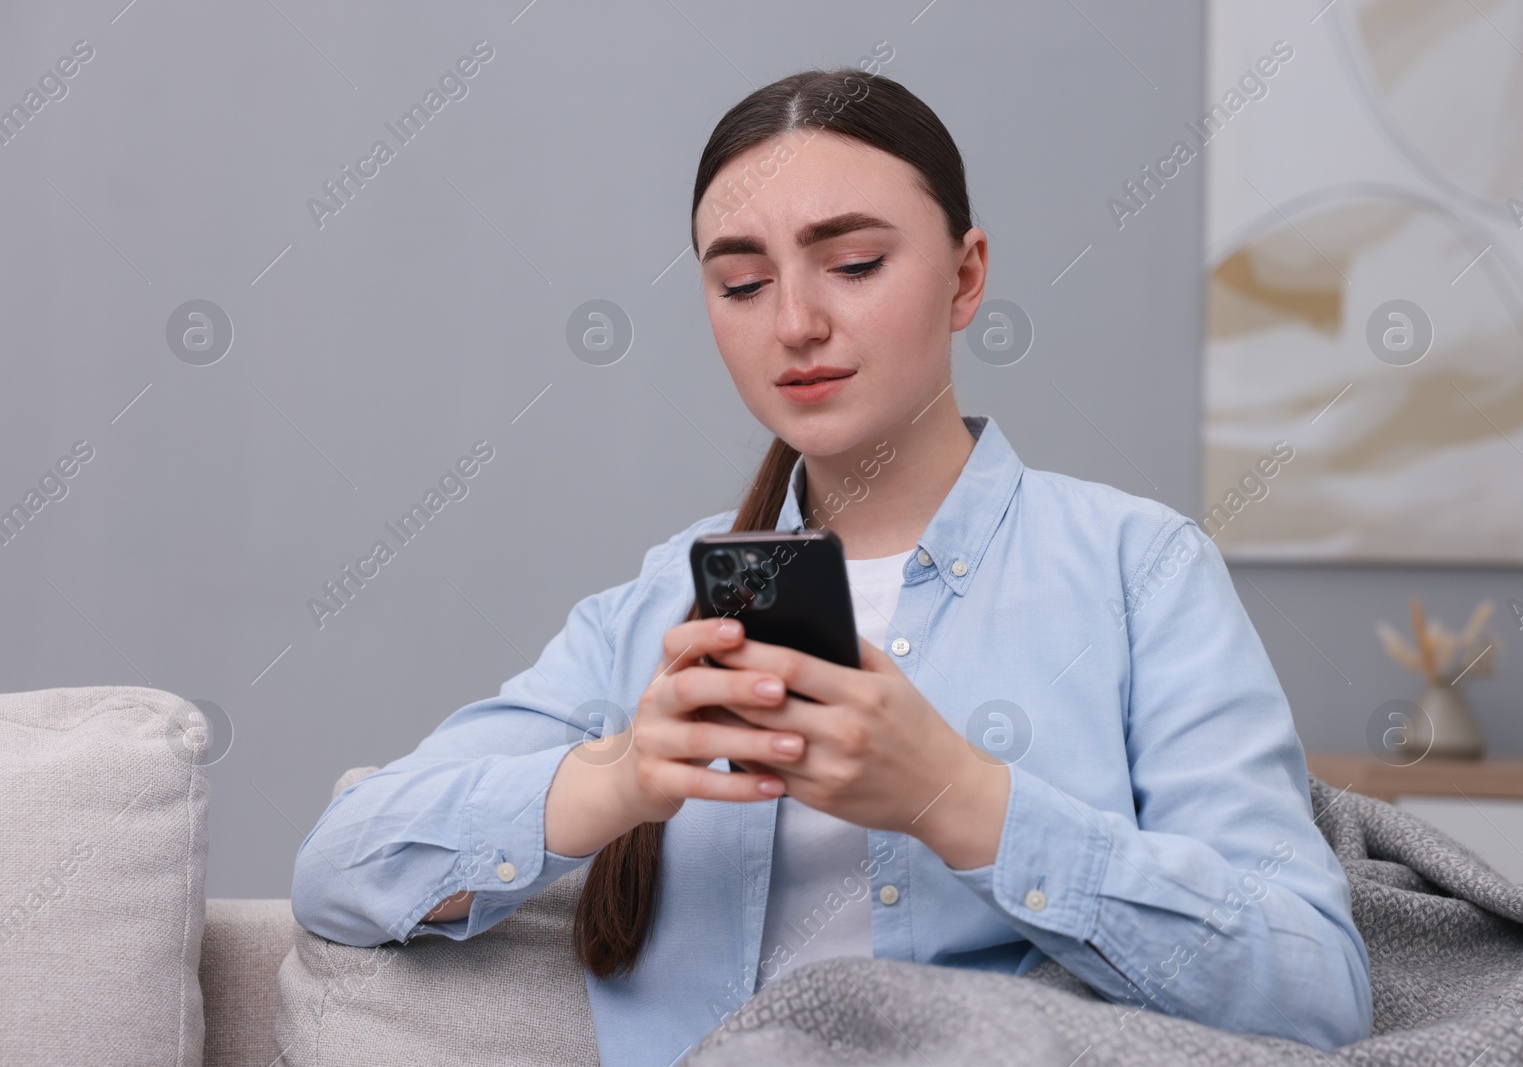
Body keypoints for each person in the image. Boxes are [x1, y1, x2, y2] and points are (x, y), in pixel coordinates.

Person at [290, 67, 1373, 1066]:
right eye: (742, 283)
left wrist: (959, 796)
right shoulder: (658, 607)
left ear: (965, 275)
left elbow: (1314, 988)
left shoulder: (1140, 573)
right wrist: (616, 777)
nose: (797, 324)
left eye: (853, 264)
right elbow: (341, 872)